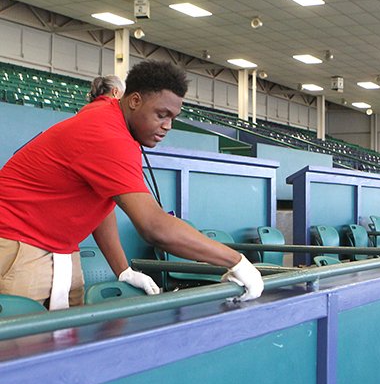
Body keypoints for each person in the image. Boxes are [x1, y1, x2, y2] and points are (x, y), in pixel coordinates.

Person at [0, 60, 263, 309]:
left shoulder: (109, 116)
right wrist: (236, 261)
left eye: (173, 117)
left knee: (65, 344)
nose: (167, 126)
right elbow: (155, 227)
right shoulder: (108, 135)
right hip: (18, 242)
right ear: (135, 100)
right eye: (161, 114)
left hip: (60, 249)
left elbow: (100, 205)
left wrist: (122, 269)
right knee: (23, 349)